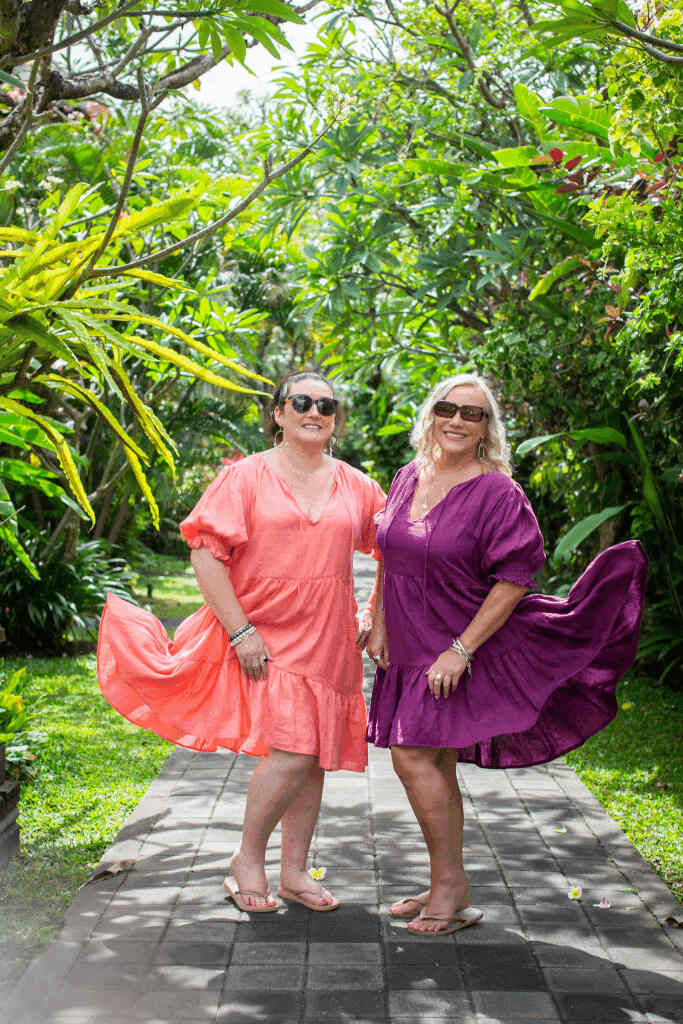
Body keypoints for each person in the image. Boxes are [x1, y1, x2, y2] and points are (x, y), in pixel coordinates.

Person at [365, 372, 647, 937]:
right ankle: (450, 882)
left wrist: (461, 650)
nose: (457, 421)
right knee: (435, 762)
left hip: (456, 643)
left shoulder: (497, 491)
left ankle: (448, 887)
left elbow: (515, 577)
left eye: (473, 414)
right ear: (431, 413)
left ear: (486, 428)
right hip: (408, 642)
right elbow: (387, 553)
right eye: (448, 408)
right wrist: (375, 618)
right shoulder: (407, 476)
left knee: (412, 757)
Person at [98, 370, 385, 913]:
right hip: (266, 632)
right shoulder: (247, 477)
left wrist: (377, 614)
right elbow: (206, 553)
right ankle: (247, 859)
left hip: (328, 636)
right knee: (295, 752)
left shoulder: (355, 483)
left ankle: (296, 871)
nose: (315, 411)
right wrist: (241, 631)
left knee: (314, 753)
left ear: (336, 419)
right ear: (278, 413)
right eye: (301, 401)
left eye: (327, 405)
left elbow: (394, 546)